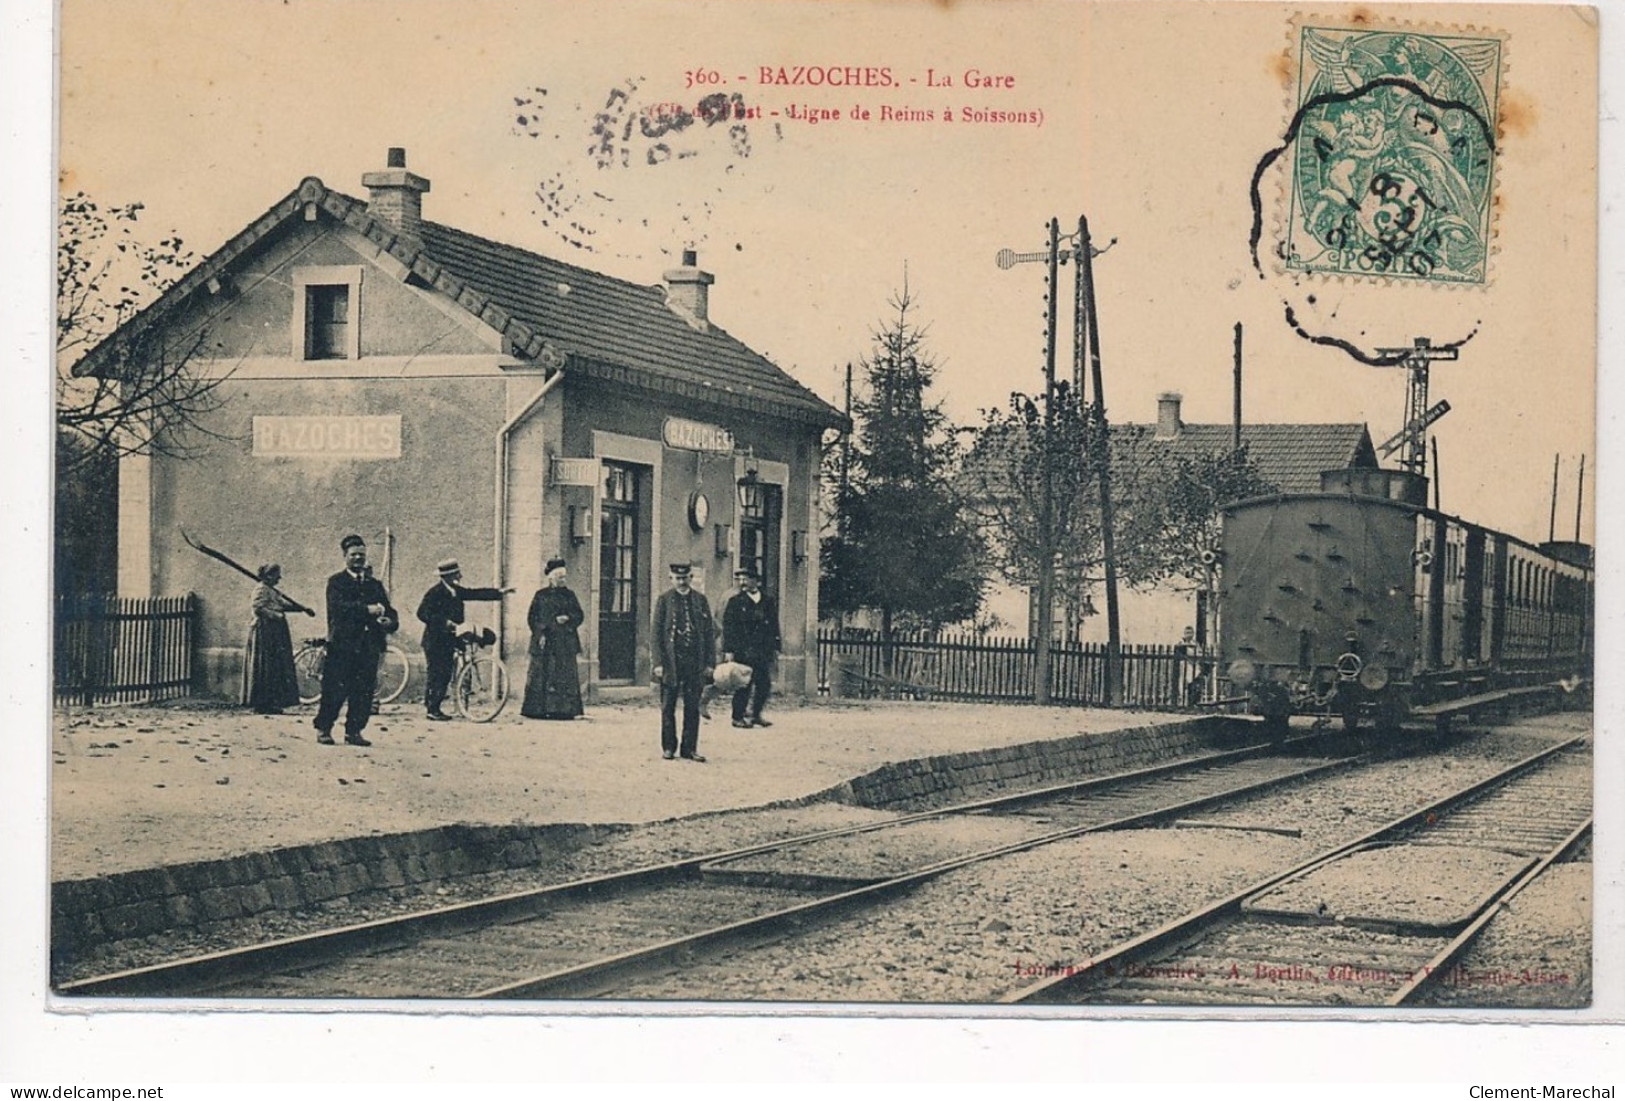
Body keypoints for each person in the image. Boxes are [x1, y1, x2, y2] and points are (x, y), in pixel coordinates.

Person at [313, 534, 398, 747]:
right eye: (353, 555)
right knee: (334, 689)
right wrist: (367, 609)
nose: (358, 559)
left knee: (363, 692)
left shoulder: (374, 585)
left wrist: (389, 622)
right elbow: (339, 609)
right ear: (345, 557)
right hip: (342, 646)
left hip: (369, 647)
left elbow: (390, 611)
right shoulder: (336, 582)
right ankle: (324, 728)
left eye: (361, 555)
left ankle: (354, 731)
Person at [416, 559, 507, 721]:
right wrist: (444, 622)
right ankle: (432, 709)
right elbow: (422, 613)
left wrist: (499, 592)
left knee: (445, 672)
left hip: (450, 639)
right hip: (435, 641)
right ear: (448, 576)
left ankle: (438, 705)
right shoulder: (435, 592)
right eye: (457, 574)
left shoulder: (455, 590)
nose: (460, 576)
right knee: (438, 674)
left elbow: (474, 593)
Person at [651, 561, 714, 762]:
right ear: (671, 579)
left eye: (685, 578)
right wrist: (658, 663)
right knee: (668, 706)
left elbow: (708, 633)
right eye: (677, 579)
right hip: (671, 662)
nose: (681, 582)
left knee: (692, 706)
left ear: (691, 578)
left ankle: (689, 749)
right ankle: (668, 747)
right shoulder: (664, 600)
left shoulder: (700, 600)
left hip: (694, 661)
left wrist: (709, 663)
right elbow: (656, 634)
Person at [240, 563, 315, 714]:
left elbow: (282, 604)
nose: (279, 578)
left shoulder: (271, 590)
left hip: (275, 631)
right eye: (276, 575)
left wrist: (301, 609)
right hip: (264, 631)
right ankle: (262, 703)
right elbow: (258, 608)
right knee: (265, 666)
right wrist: (277, 616)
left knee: (275, 667)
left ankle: (272, 702)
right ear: (268, 576)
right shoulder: (261, 589)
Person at [521, 557, 585, 720]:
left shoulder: (570, 595)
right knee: (542, 674)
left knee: (564, 675)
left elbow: (579, 615)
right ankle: (538, 710)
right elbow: (532, 618)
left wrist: (568, 618)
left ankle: (564, 711)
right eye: (559, 577)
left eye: (564, 577)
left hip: (564, 642)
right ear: (551, 577)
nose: (563, 580)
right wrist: (543, 630)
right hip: (545, 641)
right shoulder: (541, 595)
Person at [721, 564, 781, 728]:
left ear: (756, 581)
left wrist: (776, 647)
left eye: (746, 578)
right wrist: (728, 650)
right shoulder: (735, 601)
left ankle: (756, 715)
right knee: (743, 684)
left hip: (762, 650)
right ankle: (737, 717)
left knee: (764, 684)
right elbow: (728, 627)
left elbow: (774, 624)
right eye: (740, 579)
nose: (742, 582)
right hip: (743, 650)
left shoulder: (768, 601)